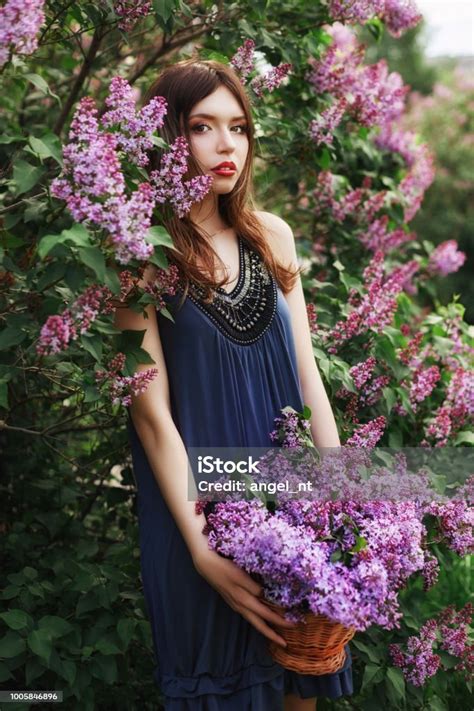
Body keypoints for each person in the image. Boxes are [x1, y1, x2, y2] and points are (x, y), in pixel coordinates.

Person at [115, 58, 353, 710]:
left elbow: (308, 377)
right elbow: (151, 416)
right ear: (169, 137)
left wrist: (338, 509)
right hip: (200, 524)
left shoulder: (272, 235)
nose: (227, 145)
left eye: (239, 127)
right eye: (203, 126)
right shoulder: (141, 254)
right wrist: (200, 550)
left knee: (299, 686)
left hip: (292, 513)